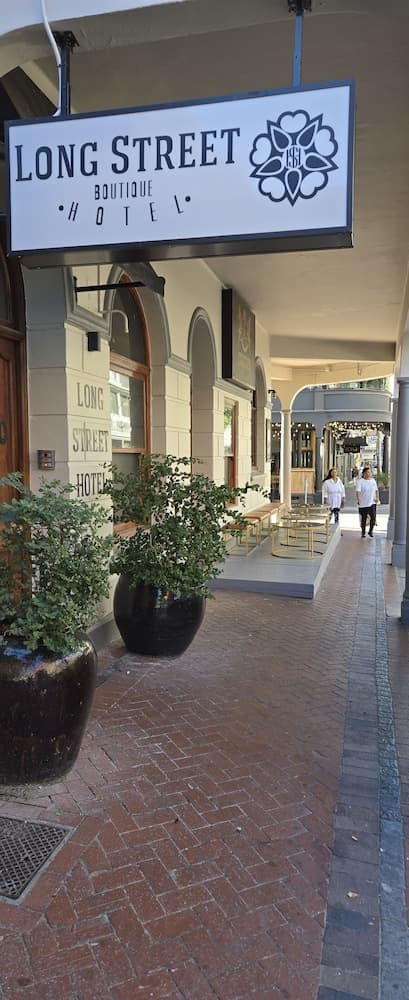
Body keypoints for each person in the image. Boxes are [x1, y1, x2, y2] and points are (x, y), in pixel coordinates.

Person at [356, 466, 379, 538]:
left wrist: (377, 498)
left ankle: (370, 531)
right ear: (363, 473)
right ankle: (363, 532)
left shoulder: (373, 481)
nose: (368, 474)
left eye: (369, 472)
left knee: (373, 517)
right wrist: (359, 499)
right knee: (364, 518)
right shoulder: (360, 481)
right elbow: (358, 491)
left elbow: (376, 490)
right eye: (367, 472)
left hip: (372, 502)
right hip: (363, 503)